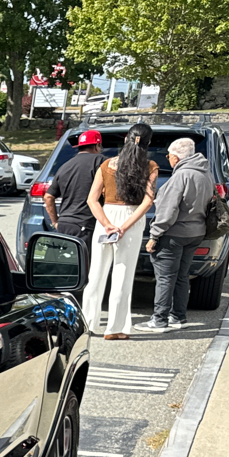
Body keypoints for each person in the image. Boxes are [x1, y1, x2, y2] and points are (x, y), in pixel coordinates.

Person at [82, 122, 158, 339]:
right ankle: (115, 328)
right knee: (123, 273)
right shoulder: (150, 166)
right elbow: (148, 201)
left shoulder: (106, 164)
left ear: (126, 139)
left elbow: (92, 199)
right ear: (148, 143)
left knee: (96, 273)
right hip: (131, 220)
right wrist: (124, 226)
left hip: (105, 216)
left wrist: (106, 224)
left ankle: (88, 323)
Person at [139, 136, 210, 333]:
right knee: (182, 276)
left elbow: (168, 210)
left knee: (165, 277)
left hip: (174, 233)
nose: (168, 159)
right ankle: (178, 317)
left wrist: (154, 236)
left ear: (176, 158)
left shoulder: (180, 176)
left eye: (169, 155)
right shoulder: (205, 173)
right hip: (196, 232)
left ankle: (159, 320)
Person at [43, 127, 103, 244]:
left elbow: (48, 197)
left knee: (68, 261)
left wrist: (55, 222)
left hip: (64, 225)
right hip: (86, 225)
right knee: (86, 261)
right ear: (97, 146)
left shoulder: (64, 166)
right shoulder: (101, 162)